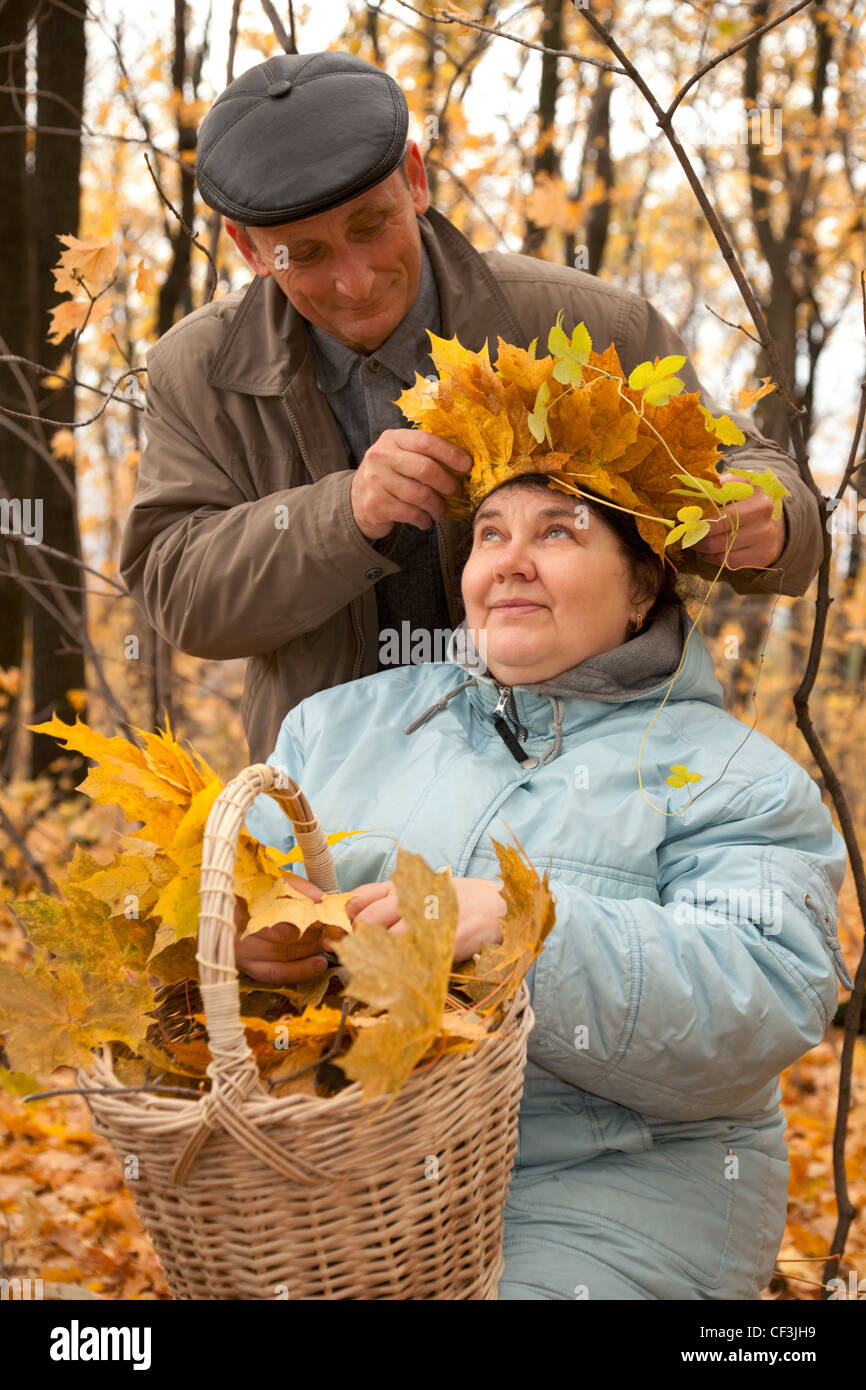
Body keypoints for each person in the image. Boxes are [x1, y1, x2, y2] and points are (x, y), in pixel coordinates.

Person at [236, 337, 851, 1300]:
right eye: (489, 535)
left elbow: (766, 994)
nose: (510, 563)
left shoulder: (737, 778)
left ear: (644, 583)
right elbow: (229, 899)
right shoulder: (339, 726)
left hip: (610, 1194)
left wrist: (528, 931)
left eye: (558, 533)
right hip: (353, 1187)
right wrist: (248, 944)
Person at [118, 50, 824, 767]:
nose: (354, 282)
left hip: (589, 770)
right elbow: (178, 591)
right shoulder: (199, 371)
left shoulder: (582, 324)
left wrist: (770, 518)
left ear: (416, 181)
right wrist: (346, 513)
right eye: (303, 254)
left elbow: (746, 470)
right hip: (335, 792)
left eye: (370, 227)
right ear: (245, 247)